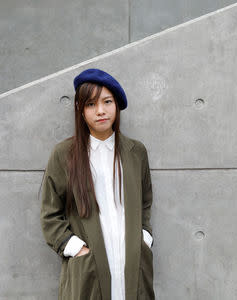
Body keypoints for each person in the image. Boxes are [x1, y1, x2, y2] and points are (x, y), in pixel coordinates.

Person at [40, 68, 155, 300]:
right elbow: (50, 214)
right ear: (81, 111)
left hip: (131, 260)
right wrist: (75, 249)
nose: (100, 111)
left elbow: (145, 202)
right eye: (91, 104)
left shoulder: (136, 152)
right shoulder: (65, 154)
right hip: (89, 265)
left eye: (107, 101)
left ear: (117, 105)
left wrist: (144, 238)